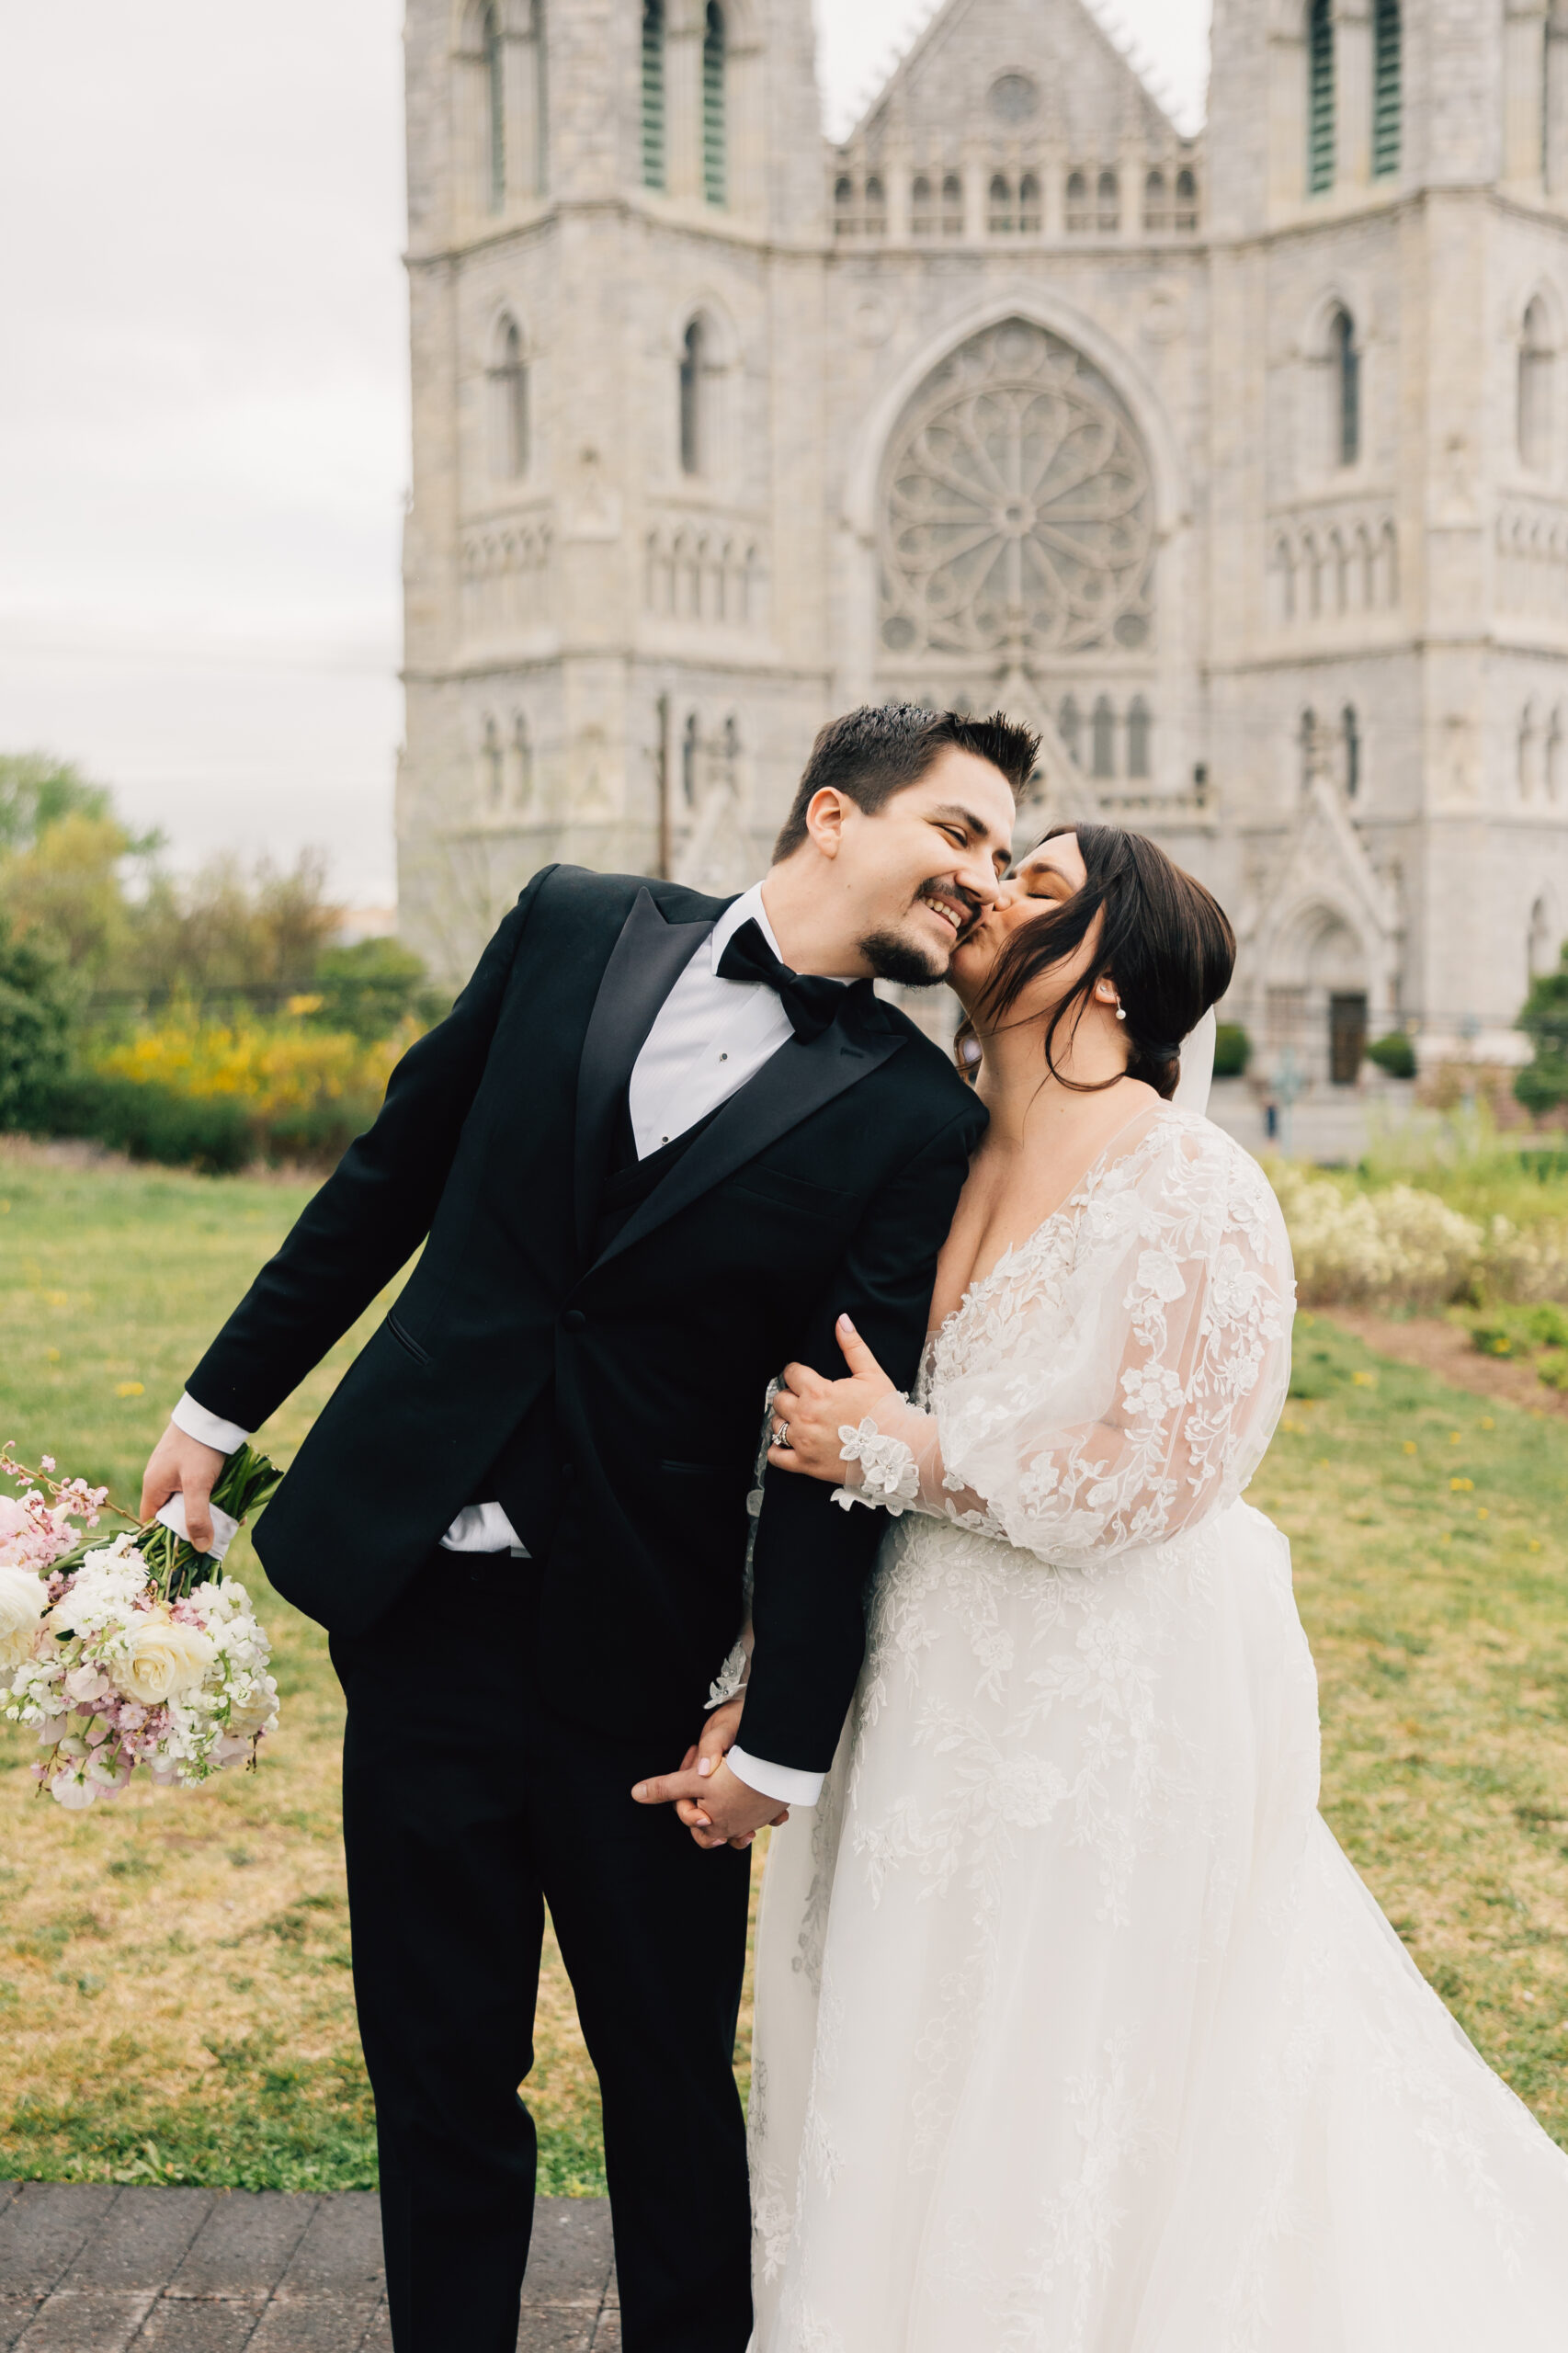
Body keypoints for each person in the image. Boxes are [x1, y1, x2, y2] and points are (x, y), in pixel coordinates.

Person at [135, 704, 1037, 2353]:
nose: (982, 878)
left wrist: (783, 1731)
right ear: (832, 814)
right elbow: (387, 1178)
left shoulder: (913, 1121)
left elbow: (839, 1435)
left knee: (672, 2090)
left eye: (1000, 855)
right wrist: (216, 1410)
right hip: (416, 1609)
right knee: (437, 2066)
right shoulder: (567, 924)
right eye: (961, 834)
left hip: (643, 1659)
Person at [737, 824, 1568, 2351]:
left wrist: (908, 1454)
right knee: (913, 2031)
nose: (990, 891)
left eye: (1040, 889)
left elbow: (1162, 1471)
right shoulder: (921, 1147)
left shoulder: (1192, 1186)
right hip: (924, 1685)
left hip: (1104, 1690)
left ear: (1115, 983)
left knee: (1074, 2052)